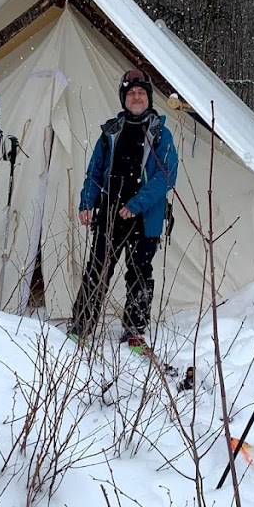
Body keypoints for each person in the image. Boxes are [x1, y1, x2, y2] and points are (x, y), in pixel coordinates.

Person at [69, 66, 178, 347]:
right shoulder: (110, 133)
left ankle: (134, 329)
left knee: (139, 273)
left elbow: (166, 176)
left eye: (142, 93)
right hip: (109, 214)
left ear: (149, 99)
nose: (137, 97)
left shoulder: (160, 134)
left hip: (145, 218)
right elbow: (94, 172)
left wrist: (136, 204)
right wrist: (86, 203)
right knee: (97, 269)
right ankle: (81, 324)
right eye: (132, 93)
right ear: (124, 98)